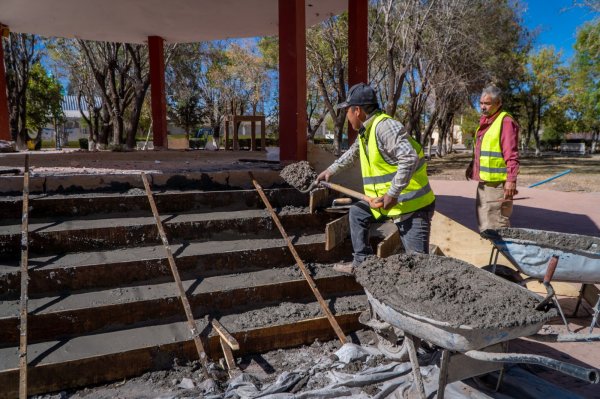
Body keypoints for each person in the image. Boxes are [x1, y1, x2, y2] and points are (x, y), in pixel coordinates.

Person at [316, 83, 436, 274]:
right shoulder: (367, 131)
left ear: (357, 110)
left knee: (419, 266)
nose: (346, 116)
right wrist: (330, 170)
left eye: (347, 111)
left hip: (411, 206)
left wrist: (392, 193)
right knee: (358, 213)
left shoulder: (384, 127)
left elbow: (409, 158)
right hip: (385, 203)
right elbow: (352, 153)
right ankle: (362, 263)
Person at [465, 85, 519, 234]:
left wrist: (511, 180)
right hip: (484, 182)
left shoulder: (505, 121)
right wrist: (472, 166)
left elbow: (512, 154)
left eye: (487, 103)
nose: (483, 107)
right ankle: (491, 251)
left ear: (498, 103)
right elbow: (482, 149)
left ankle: (502, 254)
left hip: (498, 185)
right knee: (484, 222)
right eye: (481, 103)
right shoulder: (486, 121)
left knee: (496, 223)